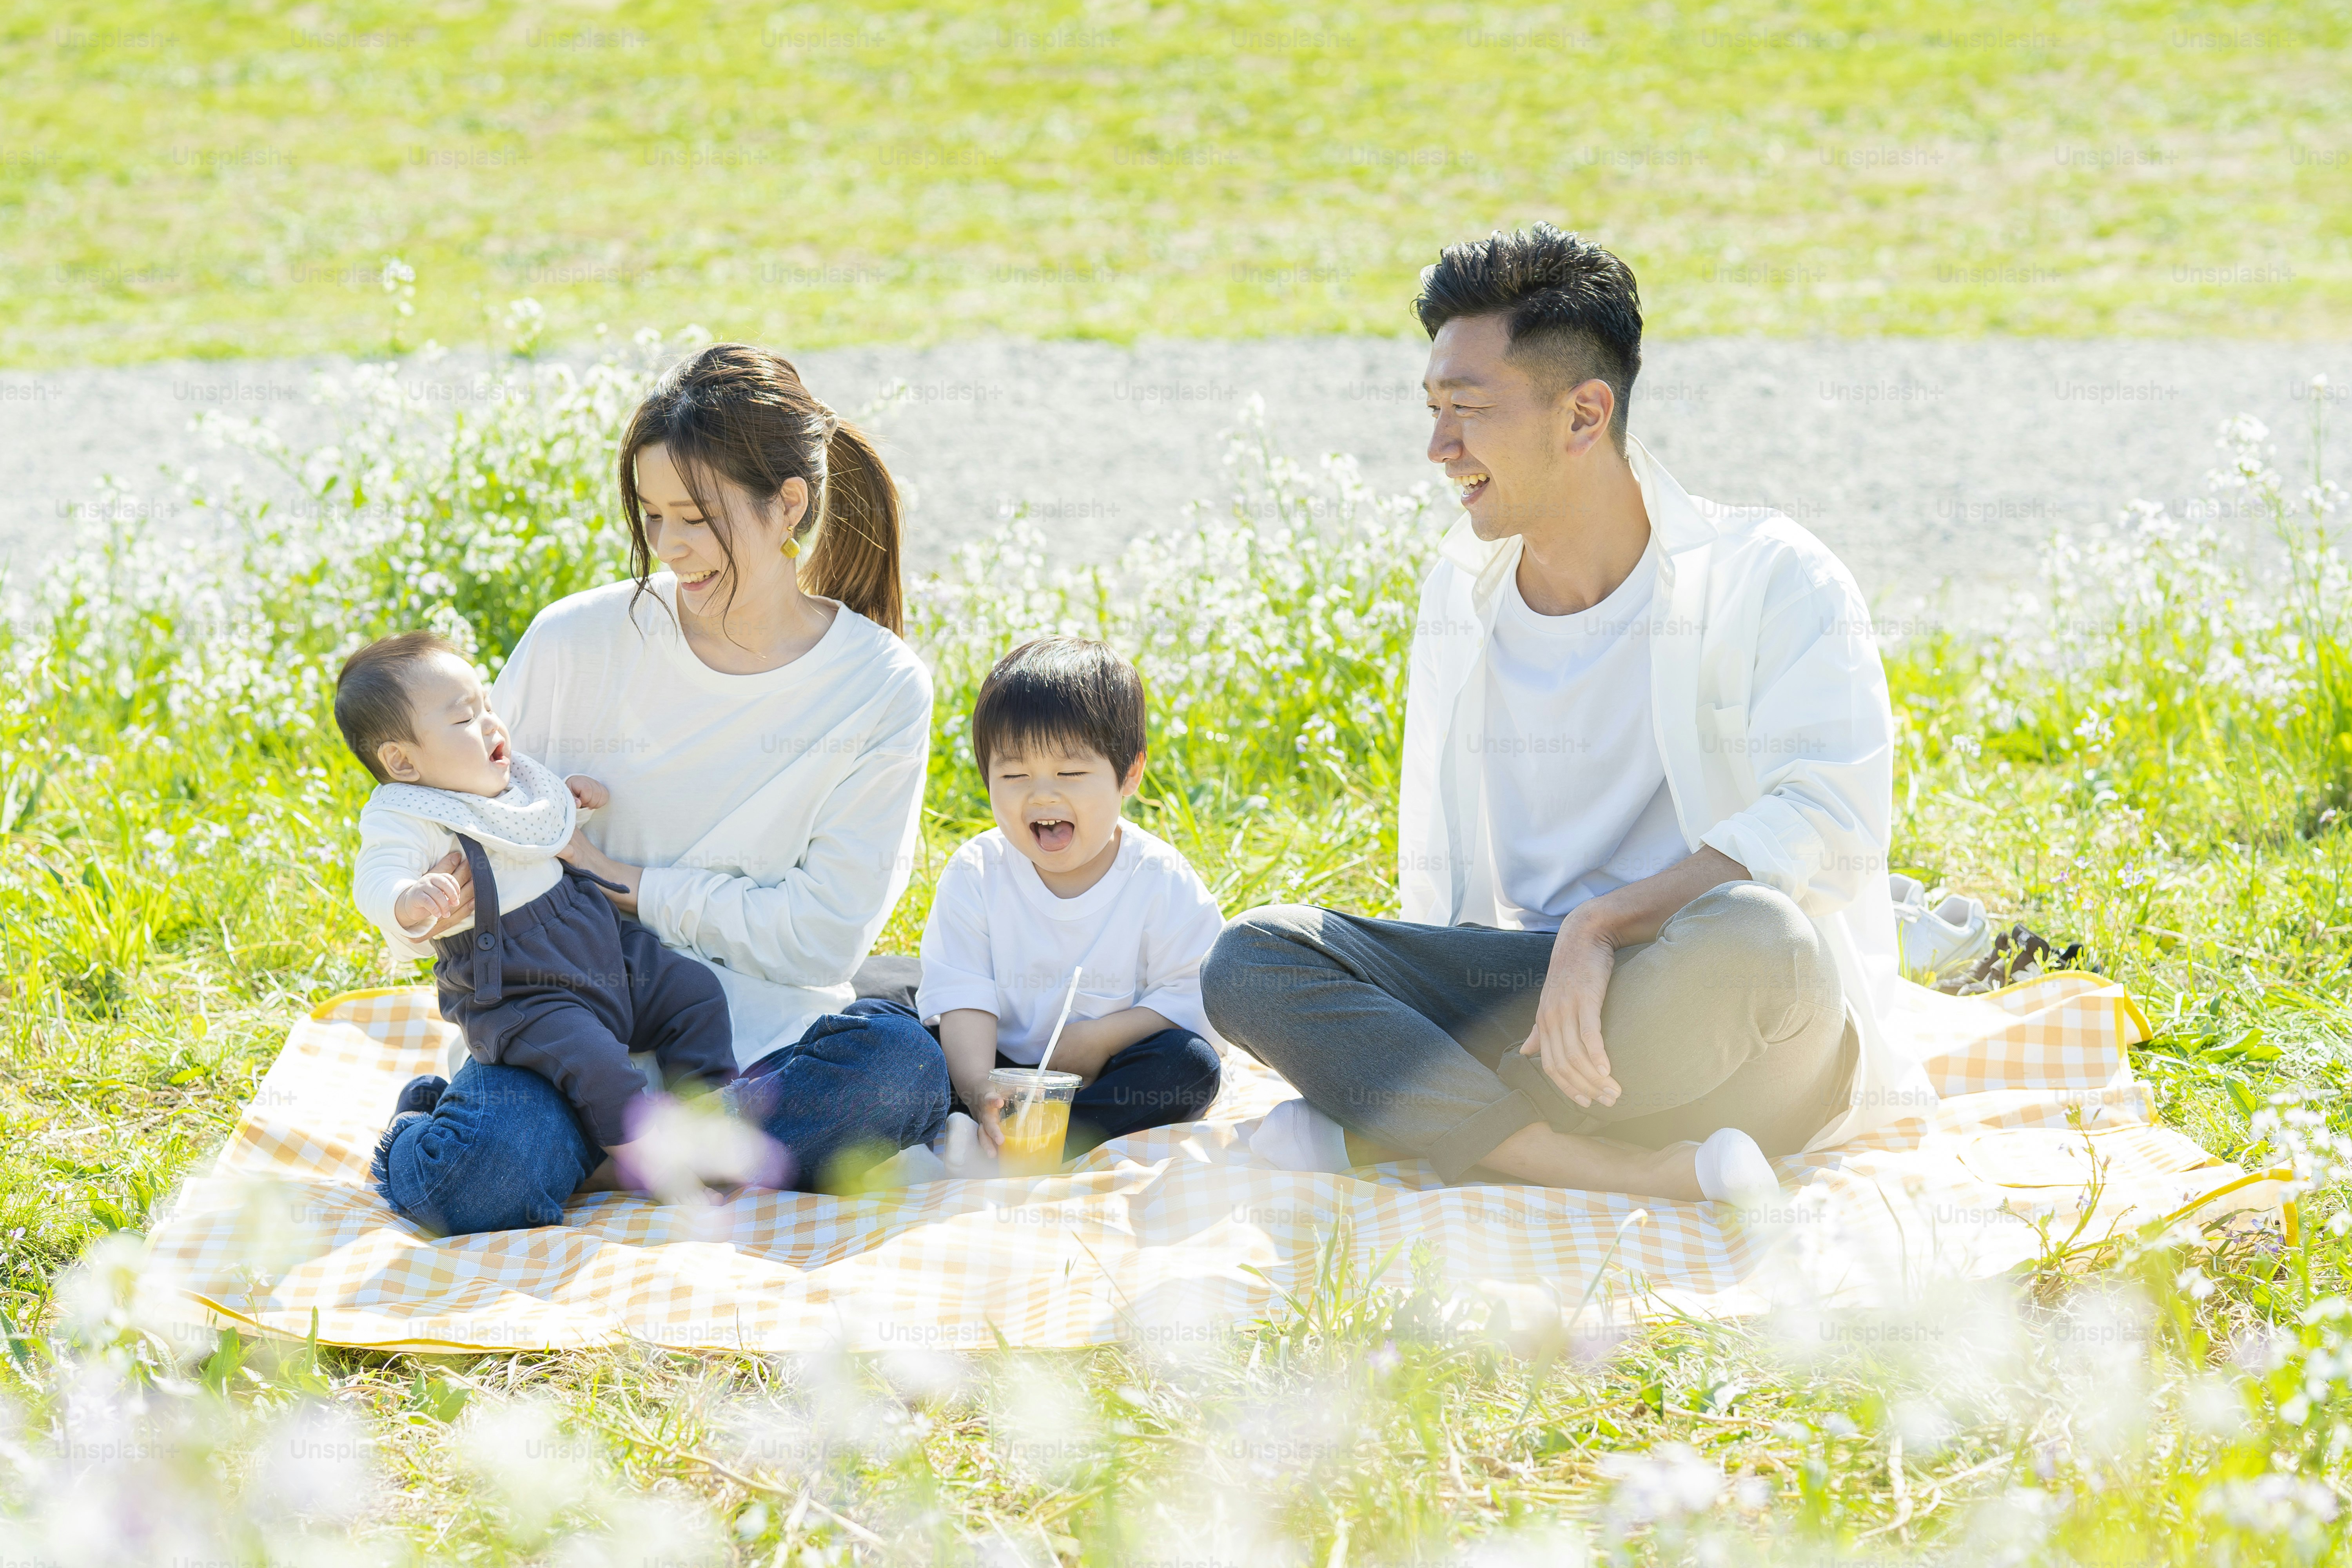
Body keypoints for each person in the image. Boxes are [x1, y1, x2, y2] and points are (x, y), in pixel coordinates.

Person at [1203, 225, 1935, 1202]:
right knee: (1254, 955)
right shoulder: (1460, 592)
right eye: (1432, 408)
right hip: (1531, 996)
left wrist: (1602, 925)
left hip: (1728, 1015)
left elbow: (1829, 822)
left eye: (1466, 409)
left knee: (1763, 938)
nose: (1438, 448)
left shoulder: (1775, 576)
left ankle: (1407, 1125)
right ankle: (1585, 1158)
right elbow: (1444, 892)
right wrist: (1547, 956)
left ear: (1585, 414)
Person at [372, 342, 950, 1234]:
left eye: (697, 517)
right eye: (654, 516)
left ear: (787, 504)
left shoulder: (878, 685)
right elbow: (451, 836)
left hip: (755, 1049)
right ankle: (638, 1147)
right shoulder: (577, 641)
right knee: (476, 1183)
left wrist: (626, 882)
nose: (672, 548)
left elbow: (821, 937)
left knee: (896, 1067)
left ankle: (633, 1150)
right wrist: (435, 897)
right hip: (560, 1032)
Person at [338, 631, 735, 1159]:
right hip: (522, 990)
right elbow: (375, 876)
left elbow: (534, 830)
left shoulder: (506, 782)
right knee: (596, 1065)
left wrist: (573, 803)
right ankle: (651, 1160)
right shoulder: (407, 814)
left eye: (487, 706)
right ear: (403, 762)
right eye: (463, 719)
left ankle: (709, 1112)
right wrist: (410, 896)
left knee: (694, 992)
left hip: (604, 946)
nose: (490, 724)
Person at [855, 637, 1224, 1163]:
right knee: (883, 1026)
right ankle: (976, 1120)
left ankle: (1054, 1140)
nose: (1043, 795)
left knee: (1189, 1066)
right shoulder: (978, 871)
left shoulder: (1159, 878)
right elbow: (964, 995)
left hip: (1104, 1070)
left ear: (1131, 775)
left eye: (1071, 774)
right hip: (988, 1058)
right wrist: (981, 1087)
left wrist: (1100, 1038)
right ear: (986, 778)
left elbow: (1199, 995)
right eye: (1014, 775)